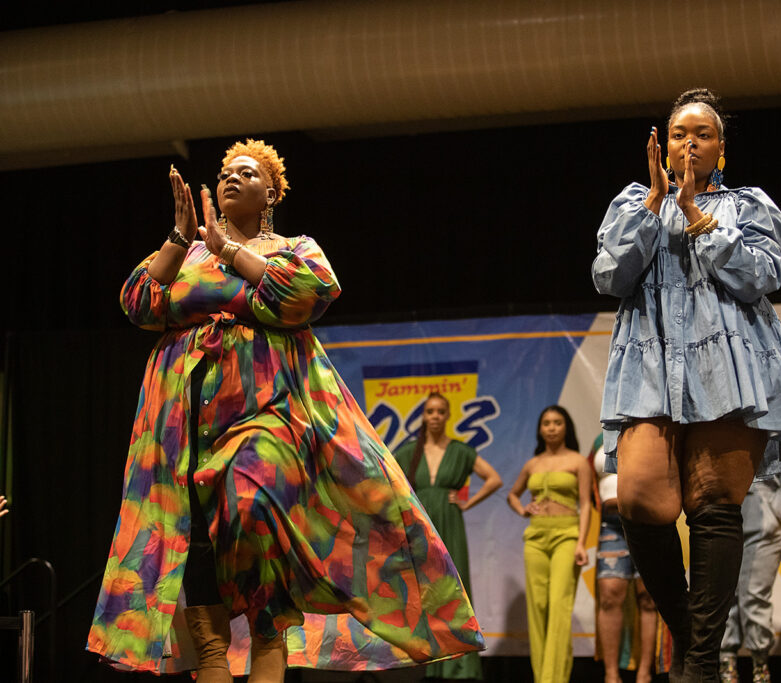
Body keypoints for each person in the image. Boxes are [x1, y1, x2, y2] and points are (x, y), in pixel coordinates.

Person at [87, 141, 484, 681]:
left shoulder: (294, 248)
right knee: (197, 539)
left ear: (270, 194)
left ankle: (268, 629)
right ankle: (213, 653)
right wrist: (180, 240)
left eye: (246, 173)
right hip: (182, 417)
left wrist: (230, 252)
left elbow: (306, 294)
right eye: (225, 172)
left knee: (250, 496)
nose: (231, 178)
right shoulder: (188, 254)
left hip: (266, 406)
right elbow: (139, 304)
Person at [591, 87, 781, 682]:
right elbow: (610, 277)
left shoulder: (746, 204)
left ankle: (698, 664)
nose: (689, 143)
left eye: (702, 134)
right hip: (652, 362)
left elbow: (760, 276)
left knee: (714, 502)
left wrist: (695, 215)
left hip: (728, 364)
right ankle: (696, 644)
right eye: (678, 134)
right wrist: (656, 206)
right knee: (639, 498)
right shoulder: (634, 201)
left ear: (722, 149)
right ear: (663, 147)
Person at [393, 392, 503, 682]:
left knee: (453, 588)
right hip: (420, 526)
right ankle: (432, 662)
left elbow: (494, 479)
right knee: (426, 589)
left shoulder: (460, 451)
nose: (435, 416)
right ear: (423, 415)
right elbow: (386, 482)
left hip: (450, 522)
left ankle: (460, 665)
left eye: (441, 411)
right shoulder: (409, 452)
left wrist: (468, 502)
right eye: (430, 411)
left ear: (447, 416)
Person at [507, 405, 592, 683]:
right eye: (546, 423)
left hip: (567, 534)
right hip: (536, 536)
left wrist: (581, 543)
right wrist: (523, 510)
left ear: (566, 427)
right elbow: (513, 494)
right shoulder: (533, 464)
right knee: (538, 606)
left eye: (557, 422)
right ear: (540, 429)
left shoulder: (578, 461)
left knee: (559, 605)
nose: (552, 427)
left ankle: (553, 678)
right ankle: (542, 675)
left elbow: (586, 505)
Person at [718, 469, 781, 683]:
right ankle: (727, 666)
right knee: (725, 596)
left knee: (755, 596)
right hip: (724, 516)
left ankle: (760, 669)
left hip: (764, 523)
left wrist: (775, 510)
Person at [589, 435, 661, 683]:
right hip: (611, 523)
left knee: (648, 598)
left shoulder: (650, 429)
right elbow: (590, 481)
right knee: (609, 595)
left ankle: (644, 674)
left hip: (647, 520)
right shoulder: (601, 437)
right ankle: (611, 675)